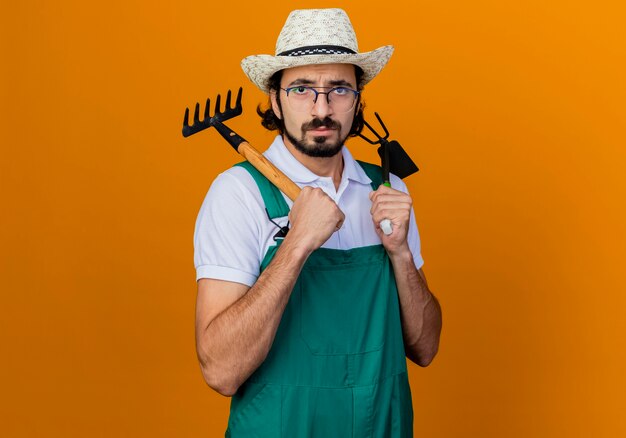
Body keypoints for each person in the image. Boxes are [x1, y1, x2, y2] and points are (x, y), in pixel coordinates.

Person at [193, 8, 442, 437]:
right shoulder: (238, 194)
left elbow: (425, 347)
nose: (322, 108)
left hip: (379, 426)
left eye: (339, 89)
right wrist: (297, 243)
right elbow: (221, 370)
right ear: (275, 99)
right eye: (302, 89)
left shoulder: (386, 189)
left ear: (359, 99)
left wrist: (400, 253)